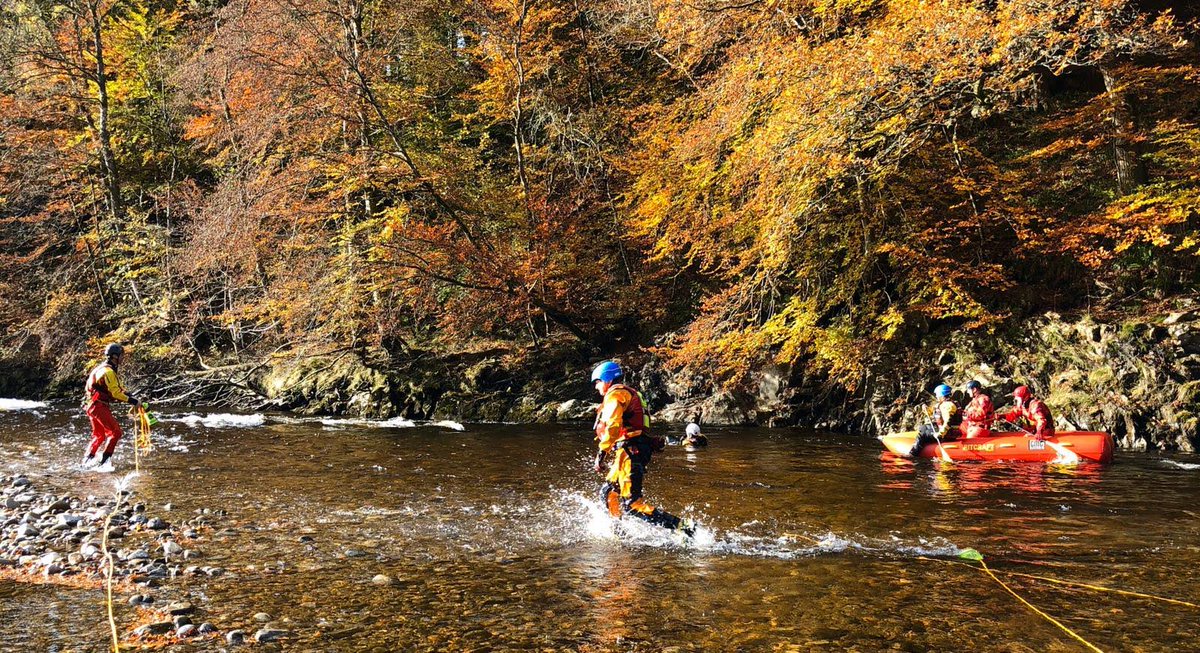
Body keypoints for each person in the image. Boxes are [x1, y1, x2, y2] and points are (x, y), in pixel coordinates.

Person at [591, 361, 693, 536]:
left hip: (631, 451)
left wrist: (602, 452)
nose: (596, 387)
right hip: (631, 450)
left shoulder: (615, 395)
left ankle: (685, 528)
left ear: (607, 379)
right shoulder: (631, 393)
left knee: (632, 505)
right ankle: (618, 533)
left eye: (597, 382)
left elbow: (613, 426)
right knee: (609, 492)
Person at [82, 343, 142, 469]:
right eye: (121, 356)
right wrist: (133, 401)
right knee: (116, 432)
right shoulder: (108, 371)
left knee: (99, 435)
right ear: (115, 356)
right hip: (98, 406)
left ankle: (87, 460)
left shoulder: (101, 368)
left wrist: (129, 395)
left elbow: (116, 389)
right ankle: (104, 462)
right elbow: (115, 393)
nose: (122, 358)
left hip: (91, 405)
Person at [907, 384, 961, 457]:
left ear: (942, 394)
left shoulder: (948, 406)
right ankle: (922, 443)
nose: (936, 396)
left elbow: (948, 422)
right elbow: (932, 413)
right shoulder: (943, 404)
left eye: (937, 394)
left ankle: (913, 453)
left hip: (948, 433)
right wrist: (926, 409)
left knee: (923, 434)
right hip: (947, 431)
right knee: (923, 428)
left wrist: (940, 434)